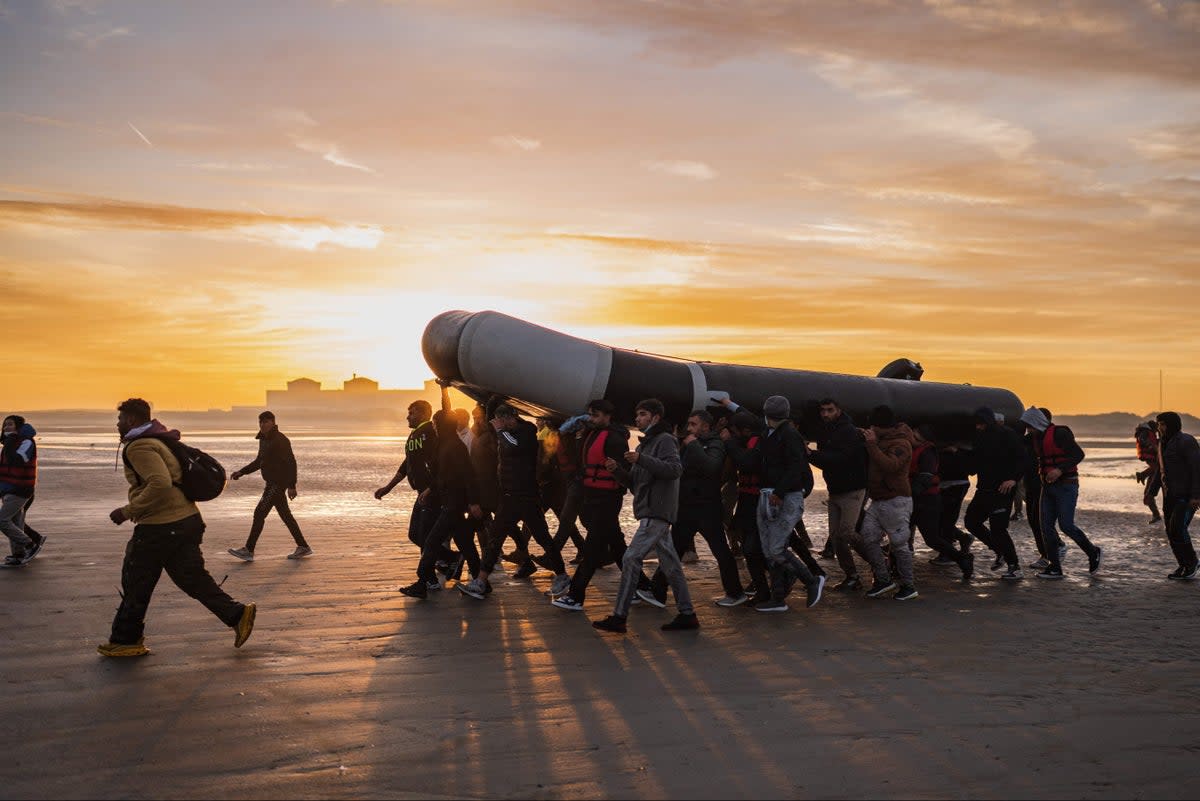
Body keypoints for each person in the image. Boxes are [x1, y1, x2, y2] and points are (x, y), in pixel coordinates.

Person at [98, 398, 255, 657]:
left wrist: (126, 512)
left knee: (137, 580)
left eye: (120, 419)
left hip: (160, 527)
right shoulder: (158, 440)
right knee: (192, 579)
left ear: (132, 421)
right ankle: (237, 614)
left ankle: (126, 641)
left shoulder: (140, 447)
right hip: (186, 521)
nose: (117, 424)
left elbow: (160, 483)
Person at [591, 399, 697, 633]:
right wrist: (617, 470)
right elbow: (634, 484)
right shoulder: (642, 446)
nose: (637, 419)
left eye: (642, 415)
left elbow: (674, 470)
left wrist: (641, 460)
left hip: (657, 511)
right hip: (650, 510)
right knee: (671, 565)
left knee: (630, 558)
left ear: (655, 418)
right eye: (637, 415)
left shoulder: (665, 440)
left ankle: (619, 617)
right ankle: (687, 614)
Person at [461, 404, 571, 600]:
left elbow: (515, 446)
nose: (499, 424)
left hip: (527, 496)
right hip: (509, 496)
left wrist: (500, 431)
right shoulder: (505, 433)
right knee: (495, 538)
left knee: (542, 536)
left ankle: (562, 575)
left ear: (510, 418)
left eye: (502, 420)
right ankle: (480, 581)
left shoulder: (527, 430)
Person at [642, 409, 746, 608]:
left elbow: (711, 467)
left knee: (721, 551)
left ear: (706, 426)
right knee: (673, 550)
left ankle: (735, 593)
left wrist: (694, 445)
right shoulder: (688, 444)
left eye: (693, 424)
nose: (689, 428)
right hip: (687, 507)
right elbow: (677, 468)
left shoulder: (715, 443)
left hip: (707, 508)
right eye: (688, 424)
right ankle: (657, 591)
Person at [551, 399, 631, 612]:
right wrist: (570, 426)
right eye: (589, 415)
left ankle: (576, 595)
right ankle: (642, 586)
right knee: (617, 545)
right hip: (591, 496)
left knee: (592, 549)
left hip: (607, 499)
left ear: (607, 416)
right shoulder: (588, 434)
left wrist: (616, 478)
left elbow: (625, 476)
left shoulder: (615, 439)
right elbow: (569, 449)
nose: (591, 419)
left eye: (596, 415)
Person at [751, 394, 825, 613]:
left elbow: (796, 467)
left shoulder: (789, 435)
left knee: (775, 549)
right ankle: (778, 597)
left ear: (767, 414)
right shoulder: (769, 432)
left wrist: (781, 492)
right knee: (770, 549)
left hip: (784, 496)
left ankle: (812, 581)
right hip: (768, 494)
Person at [400, 411, 482, 599]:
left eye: (436, 424)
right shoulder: (443, 445)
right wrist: (431, 489)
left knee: (430, 542)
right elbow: (441, 476)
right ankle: (481, 581)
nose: (434, 427)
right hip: (449, 501)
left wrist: (474, 502)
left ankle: (422, 583)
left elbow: (469, 475)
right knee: (465, 543)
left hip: (454, 503)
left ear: (443, 425)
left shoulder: (455, 446)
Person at [1018, 407, 1102, 579]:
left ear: (1037, 422)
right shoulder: (1033, 437)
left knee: (1066, 525)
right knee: (1045, 527)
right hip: (1046, 487)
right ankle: (1055, 567)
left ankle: (1093, 552)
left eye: (1030, 426)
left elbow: (1079, 454)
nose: (1028, 430)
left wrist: (1059, 470)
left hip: (1067, 486)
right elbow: (1013, 442)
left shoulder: (1060, 433)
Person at [226, 411, 311, 561]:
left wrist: (292, 485)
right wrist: (242, 472)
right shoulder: (264, 439)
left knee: (259, 513)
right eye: (260, 422)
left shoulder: (280, 440)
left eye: (265, 422)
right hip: (271, 483)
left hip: (277, 483)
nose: (262, 425)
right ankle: (303, 546)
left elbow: (291, 462)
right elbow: (260, 461)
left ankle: (249, 550)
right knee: (285, 515)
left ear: (272, 422)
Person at [806, 398, 869, 591]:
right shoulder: (824, 429)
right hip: (835, 490)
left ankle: (879, 561)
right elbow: (828, 461)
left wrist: (811, 455)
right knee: (836, 537)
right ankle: (852, 576)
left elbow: (841, 459)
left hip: (853, 489)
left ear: (839, 410)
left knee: (847, 533)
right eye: (822, 410)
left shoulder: (849, 431)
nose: (825, 414)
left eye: (830, 410)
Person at [375, 400, 447, 565]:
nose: (408, 417)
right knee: (416, 535)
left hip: (432, 493)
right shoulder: (413, 436)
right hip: (421, 492)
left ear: (423, 414)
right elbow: (406, 465)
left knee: (424, 534)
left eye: (411, 413)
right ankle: (450, 559)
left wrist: (432, 487)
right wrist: (388, 488)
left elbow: (441, 463)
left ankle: (430, 577)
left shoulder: (430, 432)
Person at [858, 405, 918, 600]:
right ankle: (884, 579)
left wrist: (872, 445)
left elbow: (891, 466)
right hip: (879, 499)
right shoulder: (881, 439)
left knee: (900, 544)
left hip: (897, 500)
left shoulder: (902, 444)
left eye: (875, 425)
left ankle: (909, 586)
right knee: (868, 536)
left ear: (883, 427)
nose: (872, 428)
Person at [964, 406, 1024, 580]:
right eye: (976, 424)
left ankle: (1015, 566)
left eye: (981, 424)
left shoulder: (1007, 435)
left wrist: (1013, 479)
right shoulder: (979, 437)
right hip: (984, 490)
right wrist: (960, 454)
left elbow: (1022, 458)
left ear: (988, 422)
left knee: (998, 528)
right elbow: (973, 466)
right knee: (971, 522)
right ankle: (1000, 552)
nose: (978, 427)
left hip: (1003, 491)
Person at [911, 423, 973, 581]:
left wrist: (910, 493)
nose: (912, 437)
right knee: (901, 533)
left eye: (915, 436)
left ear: (923, 439)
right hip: (918, 499)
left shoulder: (928, 453)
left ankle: (962, 558)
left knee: (932, 538)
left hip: (925, 500)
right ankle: (895, 566)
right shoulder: (917, 449)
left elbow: (926, 477)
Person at [1155, 411, 1200, 580]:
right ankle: (1183, 565)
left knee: (1178, 529)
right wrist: (1152, 492)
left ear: (1172, 424)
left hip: (1186, 496)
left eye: (1162, 424)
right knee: (1171, 531)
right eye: (1159, 424)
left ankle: (1192, 562)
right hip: (1169, 496)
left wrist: (1196, 495)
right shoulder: (1162, 443)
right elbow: (1160, 471)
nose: (1160, 427)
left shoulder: (1187, 441)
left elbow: (1197, 469)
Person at [0, 415, 42, 567]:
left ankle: (30, 544)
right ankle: (18, 555)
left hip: (20, 488)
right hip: (7, 489)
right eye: (5, 425)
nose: (6, 427)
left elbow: (17, 459)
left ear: (18, 426)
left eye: (10, 424)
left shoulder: (26, 441)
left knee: (2, 520)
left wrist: (10, 440)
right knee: (14, 522)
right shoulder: (9, 443)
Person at [1135, 421, 1163, 525]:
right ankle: (1141, 475)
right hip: (1151, 457)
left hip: (1151, 458)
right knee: (1156, 469)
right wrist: (1154, 448)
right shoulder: (1145, 433)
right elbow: (1148, 442)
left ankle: (1156, 515)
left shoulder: (1145, 432)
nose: (1156, 432)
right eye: (1156, 429)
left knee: (1148, 495)